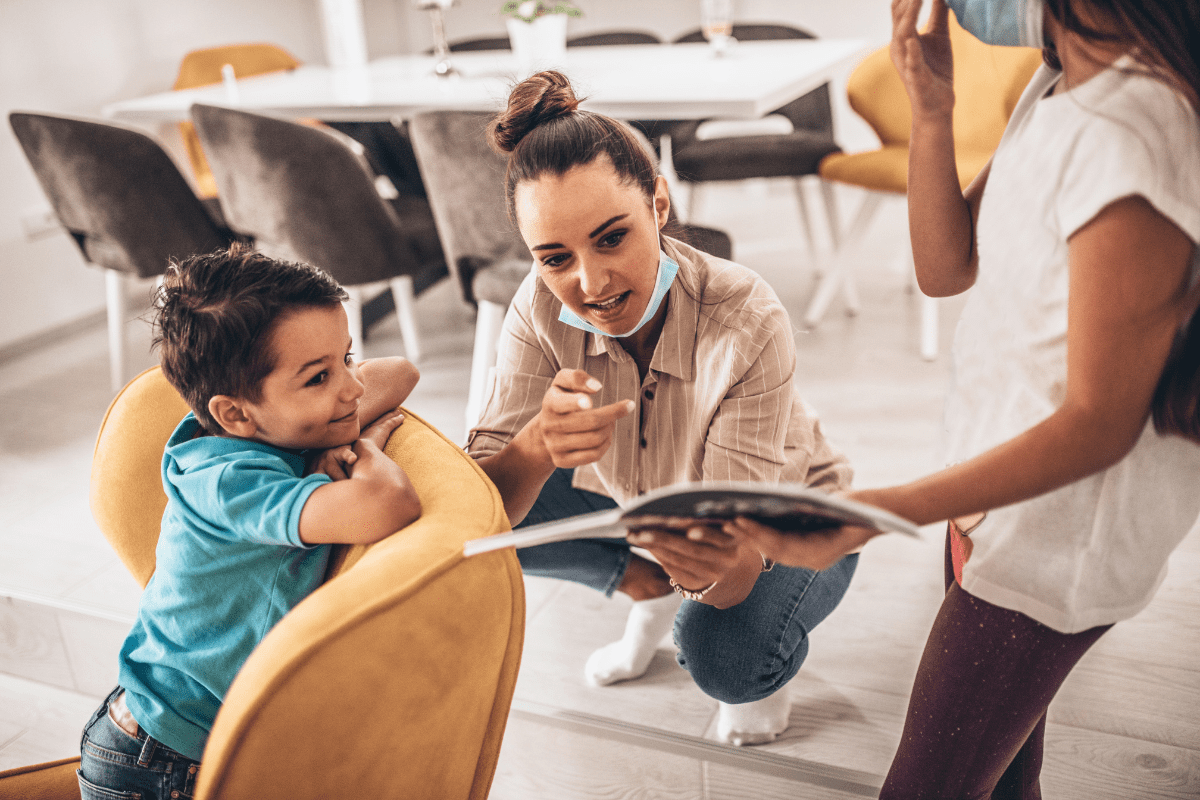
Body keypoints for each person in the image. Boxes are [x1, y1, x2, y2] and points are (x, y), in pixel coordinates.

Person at [733, 0, 1200, 795]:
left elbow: (1099, 423)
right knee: (1005, 779)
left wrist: (876, 513)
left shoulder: (1132, 132)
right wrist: (933, 113)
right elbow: (946, 266)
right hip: (995, 496)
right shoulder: (1060, 89)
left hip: (1056, 541)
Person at [467, 70, 858, 745]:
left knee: (726, 658)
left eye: (612, 237)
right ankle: (647, 582)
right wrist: (533, 448)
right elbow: (478, 513)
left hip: (790, 518)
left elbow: (733, 567)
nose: (588, 284)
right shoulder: (536, 304)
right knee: (471, 508)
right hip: (644, 497)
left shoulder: (745, 315)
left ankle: (715, 617)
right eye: (555, 257)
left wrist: (700, 571)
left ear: (659, 203)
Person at [77, 244, 423, 800]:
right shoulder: (228, 481)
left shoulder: (260, 430)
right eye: (317, 379)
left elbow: (401, 372)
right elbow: (388, 506)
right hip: (161, 758)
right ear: (234, 413)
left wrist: (328, 409)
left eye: (347, 359)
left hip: (172, 735)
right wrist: (368, 444)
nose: (353, 389)